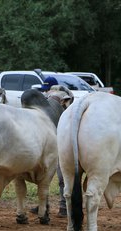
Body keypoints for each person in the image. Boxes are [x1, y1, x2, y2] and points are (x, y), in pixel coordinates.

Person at [30, 76, 67, 217]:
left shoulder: (62, 100)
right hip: (50, 145)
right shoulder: (46, 104)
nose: (45, 93)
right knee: (45, 177)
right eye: (44, 90)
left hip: (62, 144)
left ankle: (64, 207)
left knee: (63, 177)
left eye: (47, 90)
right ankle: (44, 205)